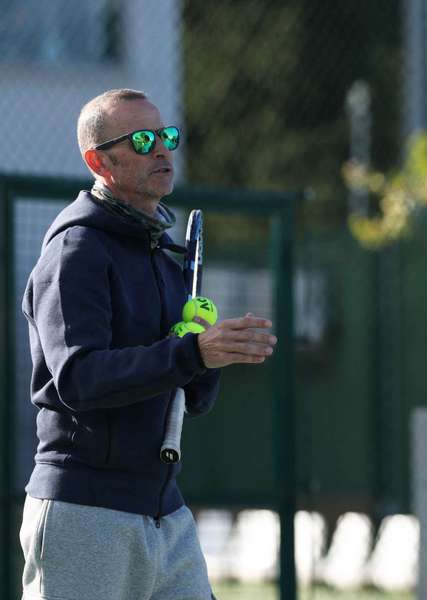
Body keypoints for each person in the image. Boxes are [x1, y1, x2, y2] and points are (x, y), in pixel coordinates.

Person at [19, 88, 277, 600]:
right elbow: (80, 379)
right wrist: (190, 354)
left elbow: (194, 398)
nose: (161, 150)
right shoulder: (76, 251)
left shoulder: (162, 254)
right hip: (83, 512)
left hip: (166, 512)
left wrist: (208, 356)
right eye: (141, 140)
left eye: (166, 136)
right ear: (99, 161)